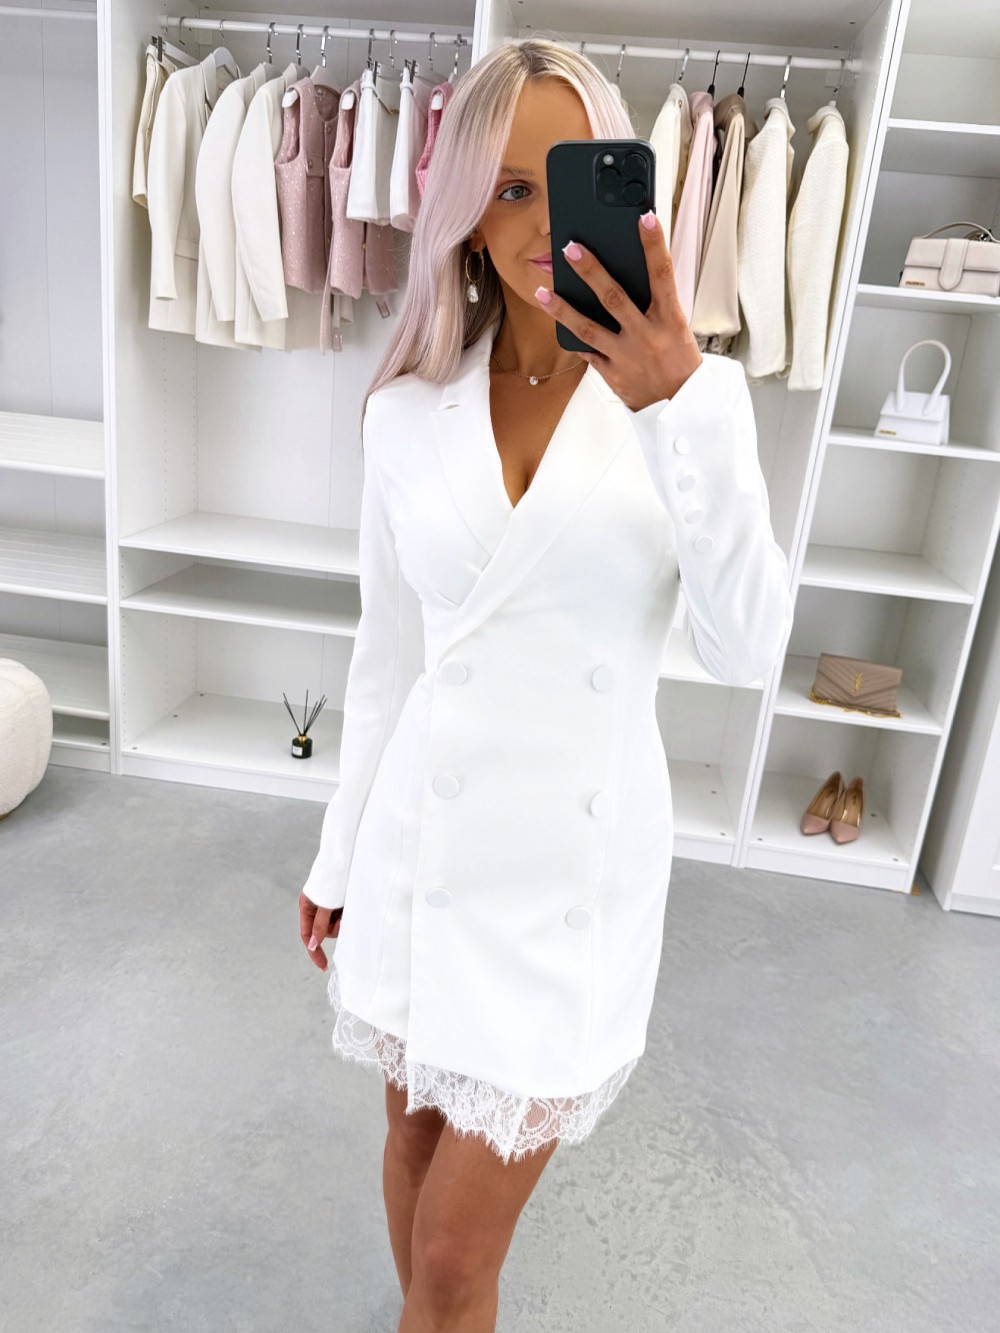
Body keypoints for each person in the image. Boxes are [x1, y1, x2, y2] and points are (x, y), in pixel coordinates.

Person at [298, 37, 794, 1333]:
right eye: (506, 188)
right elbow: (386, 660)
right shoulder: (405, 414)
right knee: (411, 1153)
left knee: (458, 1254)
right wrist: (338, 857)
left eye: (564, 181)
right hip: (423, 856)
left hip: (565, 885)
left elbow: (747, 650)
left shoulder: (685, 407)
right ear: (462, 213)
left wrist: (680, 404)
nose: (535, 223)